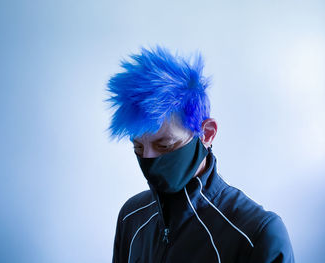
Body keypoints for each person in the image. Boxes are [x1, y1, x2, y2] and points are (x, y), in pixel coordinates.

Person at [107, 46, 294, 263]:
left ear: (206, 133)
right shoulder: (131, 217)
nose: (149, 159)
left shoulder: (256, 235)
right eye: (138, 147)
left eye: (165, 146)